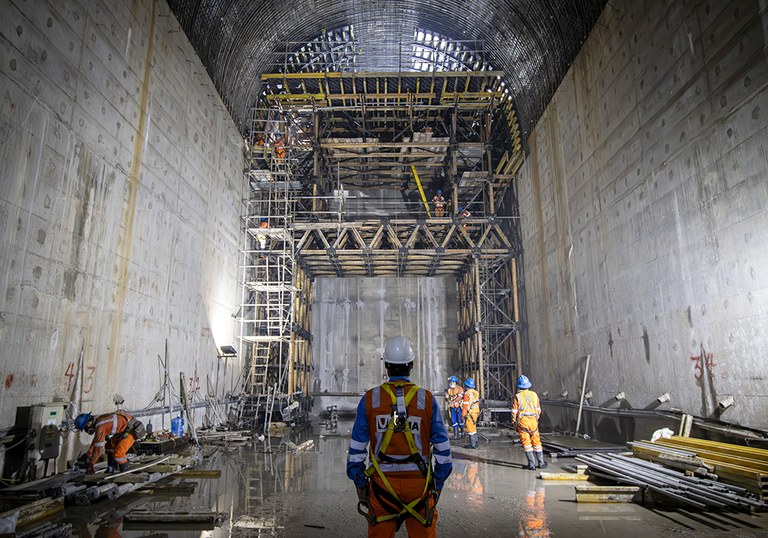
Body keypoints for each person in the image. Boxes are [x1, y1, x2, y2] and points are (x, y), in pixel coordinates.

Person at [347, 336, 452, 537]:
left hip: (381, 488)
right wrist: (437, 484)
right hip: (419, 489)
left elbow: (356, 451)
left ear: (386, 366)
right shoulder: (426, 400)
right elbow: (443, 451)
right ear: (411, 365)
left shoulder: (371, 399)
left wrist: (360, 484)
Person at [74, 411, 145, 474]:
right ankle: (111, 468)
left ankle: (125, 470)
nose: (87, 430)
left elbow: (98, 449)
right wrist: (88, 453)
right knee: (108, 446)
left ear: (89, 423)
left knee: (118, 454)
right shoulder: (100, 421)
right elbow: (96, 441)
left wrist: (91, 464)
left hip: (134, 430)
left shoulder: (100, 427)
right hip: (126, 430)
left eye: (86, 428)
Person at [512, 375, 547, 470]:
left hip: (523, 422)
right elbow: (538, 409)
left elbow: (514, 412)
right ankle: (541, 463)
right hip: (533, 421)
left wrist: (514, 423)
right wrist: (536, 419)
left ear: (518, 386)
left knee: (526, 443)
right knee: (537, 442)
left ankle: (531, 465)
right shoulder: (534, 395)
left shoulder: (517, 396)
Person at [461, 378, 480, 449]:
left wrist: (463, 415)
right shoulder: (476, 392)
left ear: (466, 385)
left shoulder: (467, 394)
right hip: (476, 412)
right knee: (473, 427)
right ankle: (475, 442)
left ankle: (472, 444)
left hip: (470, 413)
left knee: (470, 428)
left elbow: (465, 406)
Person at [444, 376, 464, 440]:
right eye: (450, 382)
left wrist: (453, 402)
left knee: (460, 420)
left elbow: (460, 397)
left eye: (452, 382)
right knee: (454, 421)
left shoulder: (459, 389)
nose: (451, 383)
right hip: (452, 408)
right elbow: (447, 399)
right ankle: (456, 435)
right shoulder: (449, 390)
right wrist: (447, 399)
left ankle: (462, 433)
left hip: (458, 407)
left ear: (455, 382)